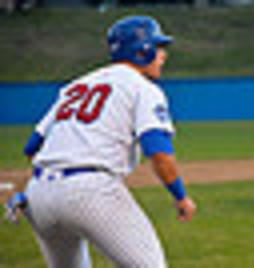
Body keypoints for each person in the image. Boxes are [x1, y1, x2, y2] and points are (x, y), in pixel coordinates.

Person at [7, 15, 196, 267]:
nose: (164, 55)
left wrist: (56, 178)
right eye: (159, 48)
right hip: (91, 191)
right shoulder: (143, 89)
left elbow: (32, 147)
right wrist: (180, 196)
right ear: (143, 51)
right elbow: (158, 154)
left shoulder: (77, 85)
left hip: (38, 195)